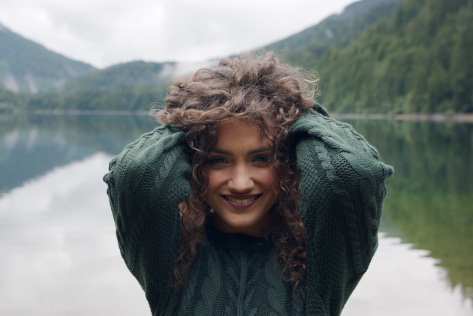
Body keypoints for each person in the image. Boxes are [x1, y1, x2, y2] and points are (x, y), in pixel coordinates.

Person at [103, 52, 393, 315]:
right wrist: (186, 122)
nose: (241, 184)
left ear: (288, 162)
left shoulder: (321, 262)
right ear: (194, 164)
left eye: (262, 159)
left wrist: (296, 114)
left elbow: (353, 172)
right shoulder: (169, 260)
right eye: (217, 160)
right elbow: (135, 174)